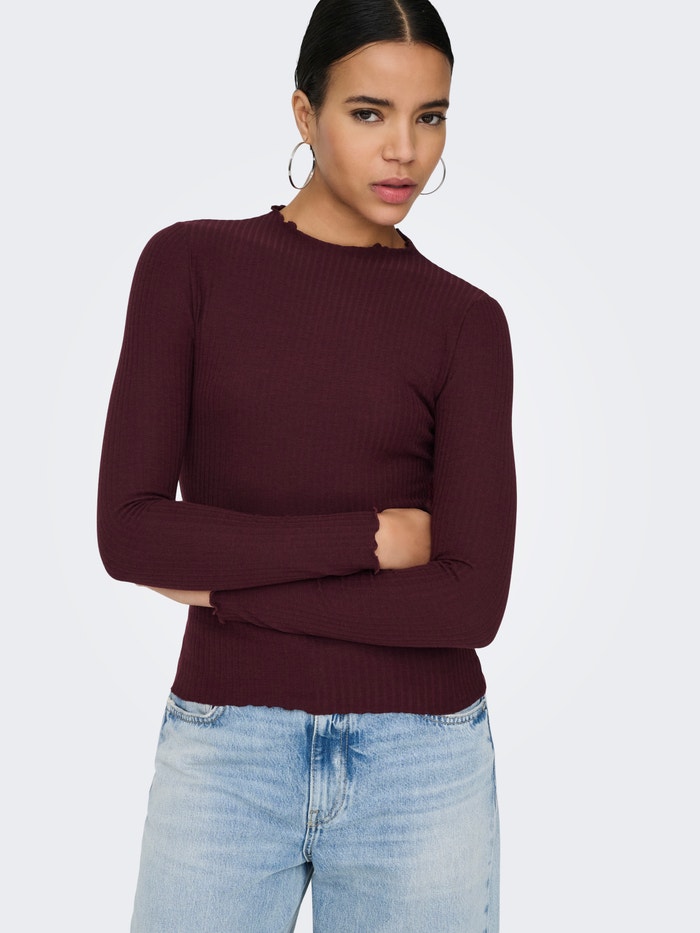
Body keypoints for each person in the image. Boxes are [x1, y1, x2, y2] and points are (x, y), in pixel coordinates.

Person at [97, 0, 516, 929]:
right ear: (304, 112)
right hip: (225, 753)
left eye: (430, 116)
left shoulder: (466, 323)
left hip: (421, 764)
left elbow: (469, 603)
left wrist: (225, 588)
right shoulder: (187, 266)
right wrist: (370, 539)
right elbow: (132, 533)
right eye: (369, 112)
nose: (404, 150)